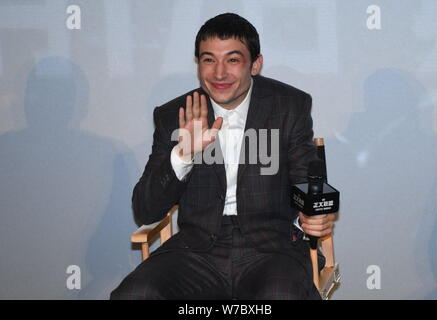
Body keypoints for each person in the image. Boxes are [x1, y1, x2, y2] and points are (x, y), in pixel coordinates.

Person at [111, 12, 336, 300]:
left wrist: (317, 214)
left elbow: (306, 182)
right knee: (135, 294)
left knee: (281, 295)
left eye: (232, 60)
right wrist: (183, 156)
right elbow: (145, 210)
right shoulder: (173, 115)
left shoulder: (289, 106)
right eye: (208, 59)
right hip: (195, 251)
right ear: (198, 64)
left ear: (255, 64)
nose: (218, 73)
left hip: (270, 249)